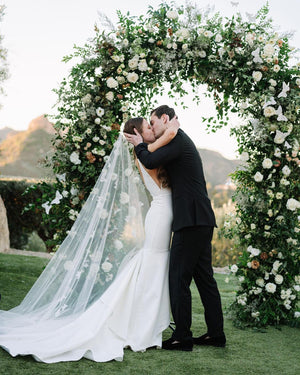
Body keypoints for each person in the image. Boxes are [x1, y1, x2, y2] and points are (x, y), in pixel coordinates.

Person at [0, 117, 179, 363]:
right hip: (160, 213)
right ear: (136, 133)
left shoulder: (148, 151)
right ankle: (141, 327)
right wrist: (166, 131)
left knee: (154, 264)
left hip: (163, 212)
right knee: (154, 262)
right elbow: (167, 148)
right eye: (148, 127)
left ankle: (145, 323)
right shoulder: (145, 153)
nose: (153, 129)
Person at [124, 105, 226, 351]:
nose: (153, 128)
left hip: (190, 221)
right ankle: (215, 334)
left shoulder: (176, 140)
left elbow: (147, 157)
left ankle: (182, 336)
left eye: (153, 122)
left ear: (165, 119)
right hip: (200, 218)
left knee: (178, 278)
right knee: (204, 279)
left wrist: (139, 143)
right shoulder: (176, 138)